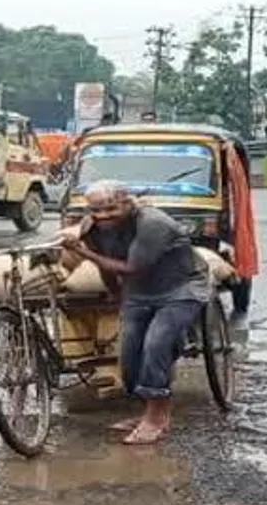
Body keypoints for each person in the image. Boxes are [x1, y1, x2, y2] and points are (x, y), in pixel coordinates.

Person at [59, 180, 211, 445]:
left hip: (180, 288)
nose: (104, 217)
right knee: (129, 356)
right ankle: (146, 410)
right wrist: (115, 295)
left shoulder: (152, 223)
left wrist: (83, 253)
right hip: (139, 292)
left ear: (128, 204)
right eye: (97, 211)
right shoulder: (92, 227)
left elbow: (132, 268)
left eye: (111, 209)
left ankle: (156, 417)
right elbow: (107, 269)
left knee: (156, 343)